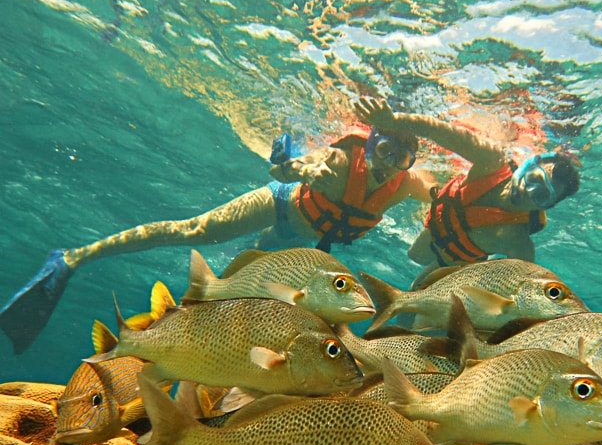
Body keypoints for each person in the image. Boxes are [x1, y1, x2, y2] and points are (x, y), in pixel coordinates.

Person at [0, 98, 437, 354]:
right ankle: (73, 258)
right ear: (370, 144)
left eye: (401, 159)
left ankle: (175, 331)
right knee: (194, 230)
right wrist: (297, 170)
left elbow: (442, 195)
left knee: (237, 291)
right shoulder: (341, 161)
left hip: (298, 243)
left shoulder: (406, 185)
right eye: (383, 151)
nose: (388, 167)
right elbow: (288, 172)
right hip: (282, 208)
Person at [352, 97, 580, 280]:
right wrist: (393, 121)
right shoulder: (492, 161)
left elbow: (526, 287)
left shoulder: (517, 241)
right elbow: (441, 131)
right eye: (534, 179)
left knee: (415, 295)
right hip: (438, 225)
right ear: (527, 166)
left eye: (540, 195)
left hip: (458, 262)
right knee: (415, 256)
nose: (528, 192)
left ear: (546, 206)